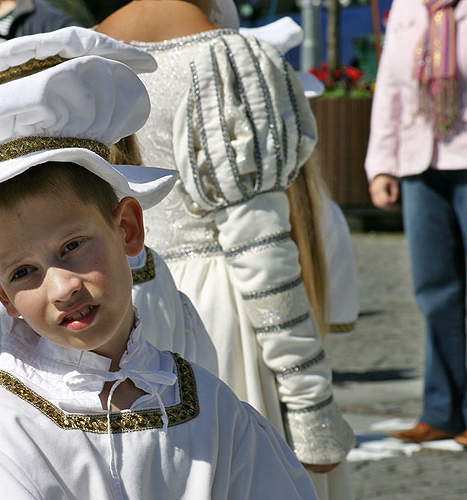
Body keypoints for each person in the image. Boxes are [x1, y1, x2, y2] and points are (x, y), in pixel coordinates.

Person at [0, 51, 317, 499]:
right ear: (1, 294)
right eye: (24, 271)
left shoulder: (213, 408)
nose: (63, 287)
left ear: (128, 228)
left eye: (72, 246)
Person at [96, 2, 355, 499]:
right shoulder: (232, 61)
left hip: (109, 315)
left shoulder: (70, 60)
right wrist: (309, 406)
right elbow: (261, 252)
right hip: (214, 321)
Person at [365, 0, 467, 446]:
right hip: (418, 163)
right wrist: (381, 166)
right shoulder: (408, 7)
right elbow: (388, 87)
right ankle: (442, 411)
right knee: (434, 291)